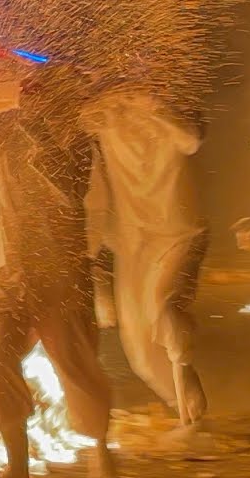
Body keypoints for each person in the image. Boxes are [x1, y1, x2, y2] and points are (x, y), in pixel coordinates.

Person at [0, 73, 117, 478]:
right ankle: (17, 466)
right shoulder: (7, 133)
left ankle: (101, 449)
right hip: (18, 274)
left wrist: (37, 132)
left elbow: (71, 189)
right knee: (0, 360)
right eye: (26, 97)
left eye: (37, 98)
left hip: (63, 277)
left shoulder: (76, 143)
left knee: (77, 369)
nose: (27, 103)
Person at [81, 90, 208, 431]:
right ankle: (184, 405)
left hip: (176, 232)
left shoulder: (165, 104)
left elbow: (192, 138)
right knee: (140, 350)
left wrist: (153, 105)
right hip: (133, 242)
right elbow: (80, 124)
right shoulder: (105, 114)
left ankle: (191, 416)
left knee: (164, 311)